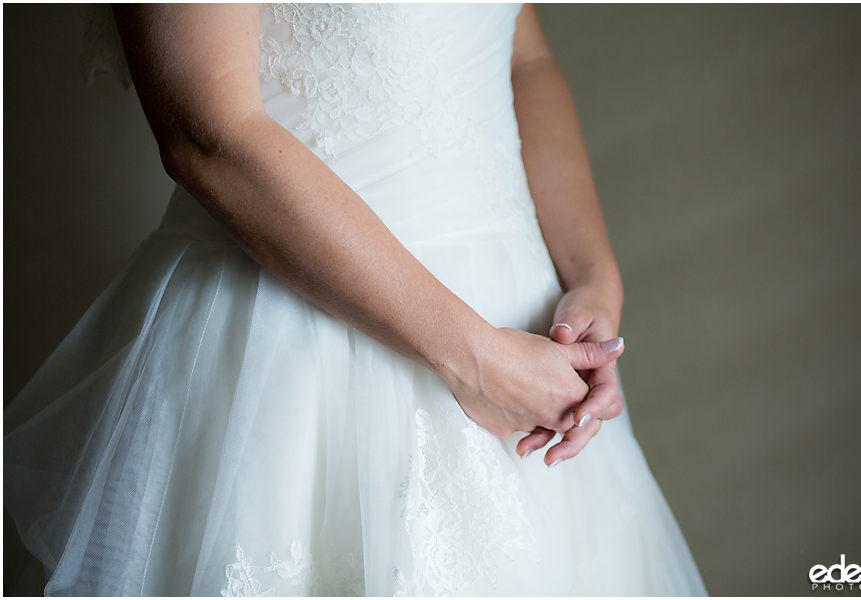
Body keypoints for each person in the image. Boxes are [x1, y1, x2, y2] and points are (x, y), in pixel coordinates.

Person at [4, 4, 706, 596]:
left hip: (525, 349)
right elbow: (205, 133)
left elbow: (523, 60)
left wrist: (592, 281)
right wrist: (474, 361)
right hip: (284, 352)